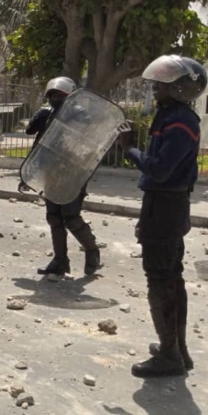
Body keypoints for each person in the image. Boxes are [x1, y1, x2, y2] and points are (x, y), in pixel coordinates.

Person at [119, 55, 207, 378]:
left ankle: (170, 354)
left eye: (165, 82)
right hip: (164, 204)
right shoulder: (172, 115)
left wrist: (129, 148)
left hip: (167, 206)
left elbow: (159, 169)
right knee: (172, 276)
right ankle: (177, 348)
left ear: (182, 88)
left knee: (160, 277)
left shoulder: (181, 121)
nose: (156, 86)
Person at [25, 77, 102, 276]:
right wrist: (39, 116)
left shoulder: (80, 115)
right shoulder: (47, 114)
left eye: (59, 95)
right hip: (51, 171)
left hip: (73, 173)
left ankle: (92, 250)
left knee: (71, 218)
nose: (54, 99)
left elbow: (88, 141)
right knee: (54, 218)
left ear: (69, 96)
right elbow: (30, 132)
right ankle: (60, 260)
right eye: (51, 95)